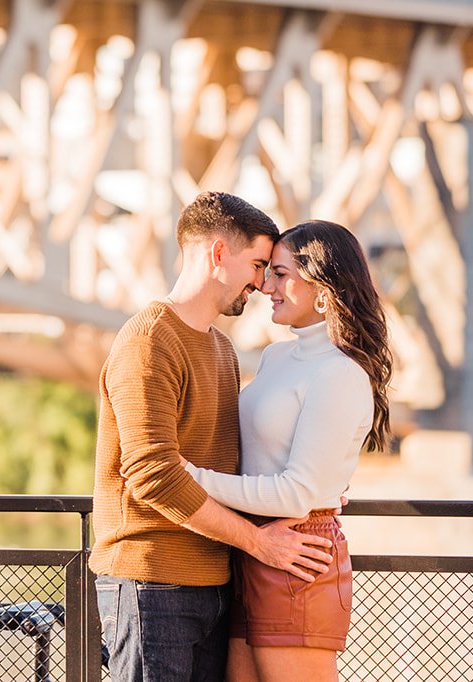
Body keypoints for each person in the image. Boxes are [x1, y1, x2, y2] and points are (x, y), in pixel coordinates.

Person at [92, 193, 337, 682]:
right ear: (219, 254)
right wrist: (259, 544)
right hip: (151, 584)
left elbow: (230, 460)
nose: (264, 283)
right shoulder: (149, 340)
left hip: (214, 583)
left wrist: (319, 480)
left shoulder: (221, 349)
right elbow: (153, 475)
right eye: (259, 264)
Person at [183, 219, 394, 682]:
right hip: (247, 546)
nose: (264, 286)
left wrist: (189, 480)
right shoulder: (277, 358)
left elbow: (298, 494)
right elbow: (263, 454)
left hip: (297, 555)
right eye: (266, 272)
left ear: (322, 286)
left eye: (280, 274)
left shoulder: (339, 374)